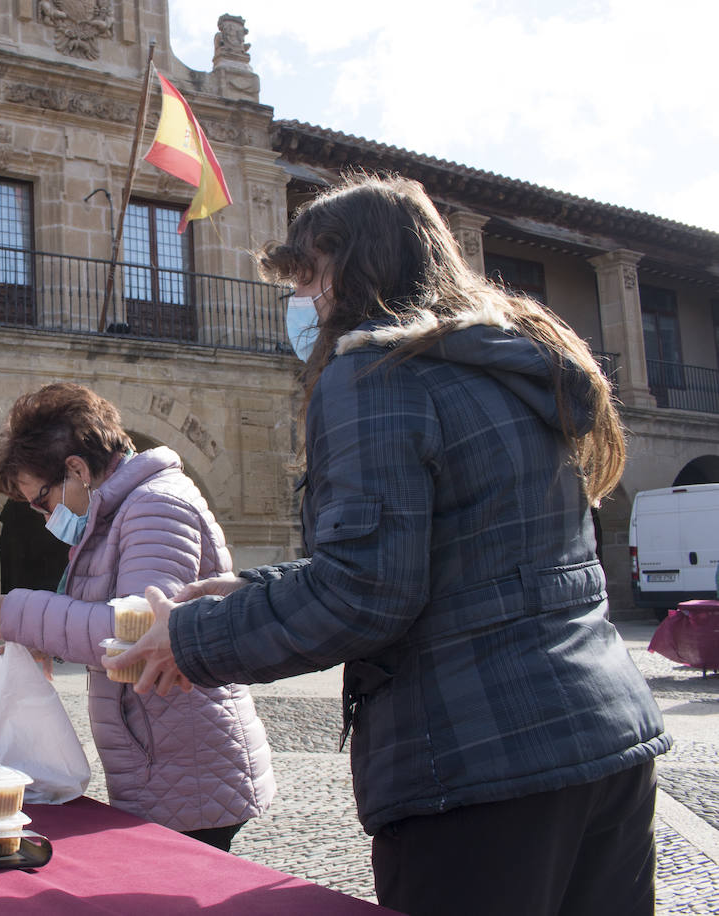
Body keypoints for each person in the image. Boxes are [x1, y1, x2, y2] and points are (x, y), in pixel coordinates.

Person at [106, 175, 669, 915]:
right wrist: (257, 590)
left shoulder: (373, 375)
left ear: (352, 264)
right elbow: (449, 554)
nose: (299, 302)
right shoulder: (514, 372)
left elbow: (368, 593)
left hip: (479, 762)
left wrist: (194, 638)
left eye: (306, 278)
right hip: (605, 742)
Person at [0, 383, 274, 852]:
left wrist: (24, 613)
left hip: (185, 763)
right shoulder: (117, 512)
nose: (42, 514)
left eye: (41, 499)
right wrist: (45, 639)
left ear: (76, 469)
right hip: (161, 756)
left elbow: (140, 636)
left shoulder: (155, 505)